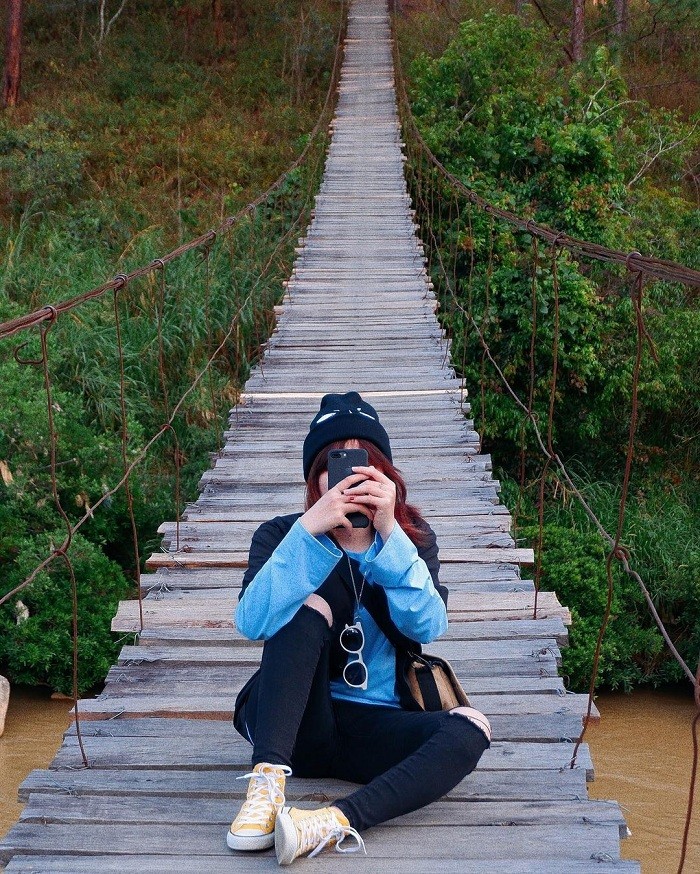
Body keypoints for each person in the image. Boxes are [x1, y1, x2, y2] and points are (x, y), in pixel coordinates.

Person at [227, 392, 491, 866]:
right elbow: (252, 623)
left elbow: (428, 625)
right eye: (336, 463)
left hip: (373, 725)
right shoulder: (282, 535)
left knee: (471, 729)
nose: (350, 477)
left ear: (387, 475)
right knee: (309, 604)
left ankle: (330, 822)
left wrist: (390, 534)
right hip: (295, 722)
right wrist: (308, 532)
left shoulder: (411, 539)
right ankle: (266, 784)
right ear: (316, 478)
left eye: (365, 464)